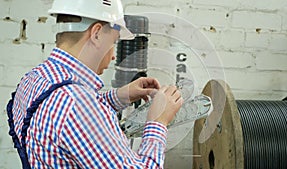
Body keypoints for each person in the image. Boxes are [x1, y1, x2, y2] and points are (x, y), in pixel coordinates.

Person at [7, 0, 183, 168]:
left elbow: (68, 115)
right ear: (97, 33)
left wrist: (119, 95)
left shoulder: (36, 78)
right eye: (114, 42)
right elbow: (81, 110)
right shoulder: (78, 105)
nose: (114, 55)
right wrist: (158, 121)